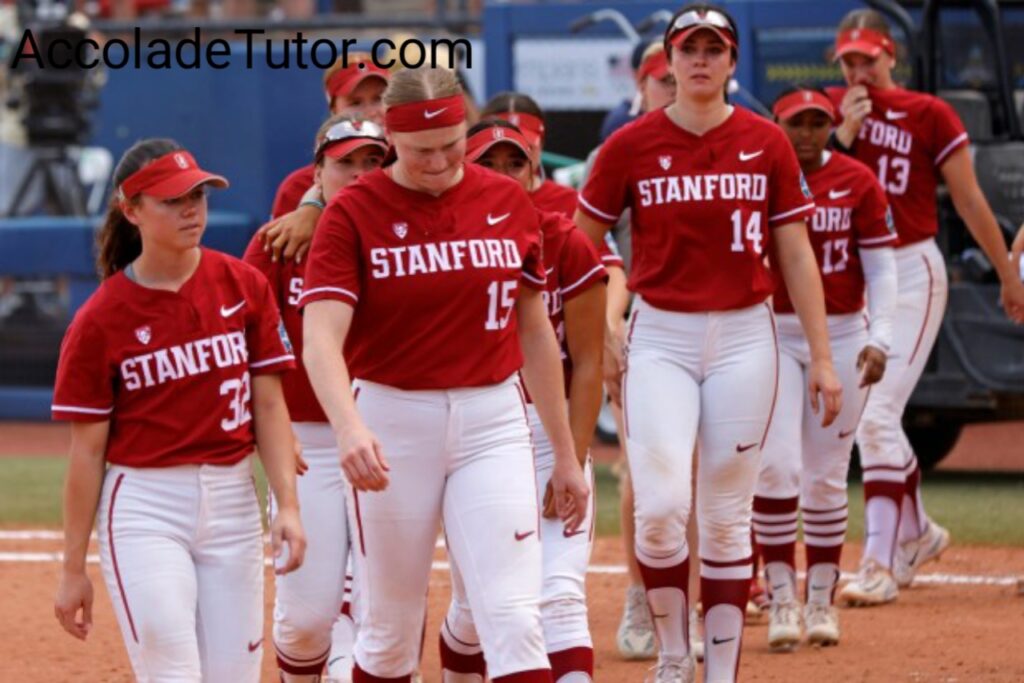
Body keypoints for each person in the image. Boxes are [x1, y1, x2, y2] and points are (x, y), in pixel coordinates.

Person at [574, 6, 842, 682]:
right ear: (667, 58)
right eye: (688, 48)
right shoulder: (631, 144)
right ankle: (671, 656)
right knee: (661, 507)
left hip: (746, 334)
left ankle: (718, 671)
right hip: (660, 331)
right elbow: (582, 235)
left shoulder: (767, 141)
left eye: (713, 49)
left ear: (731, 61)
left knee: (725, 516)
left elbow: (796, 252)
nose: (700, 60)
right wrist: (600, 324)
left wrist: (824, 357)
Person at [300, 67, 590, 682]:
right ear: (390, 138)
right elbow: (320, 337)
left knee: (515, 618)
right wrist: (349, 427)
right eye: (419, 150)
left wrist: (564, 455)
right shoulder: (354, 211)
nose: (438, 163)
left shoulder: (506, 199)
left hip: (493, 420)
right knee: (388, 633)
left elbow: (534, 331)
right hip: (392, 421)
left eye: (451, 145)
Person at [51, 139, 307, 681]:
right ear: (132, 210)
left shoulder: (243, 285)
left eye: (198, 194)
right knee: (171, 666)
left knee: (235, 674)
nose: (192, 208)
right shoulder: (99, 320)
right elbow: (86, 452)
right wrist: (73, 568)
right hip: (146, 505)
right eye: (172, 199)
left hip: (234, 502)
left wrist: (287, 504)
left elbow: (268, 403)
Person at [826, 9, 1024, 606]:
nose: (860, 69)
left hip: (911, 267)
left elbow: (967, 198)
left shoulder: (927, 113)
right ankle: (917, 533)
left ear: (891, 56)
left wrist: (1007, 275)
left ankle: (880, 564)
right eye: (849, 60)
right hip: (851, 275)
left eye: (869, 57)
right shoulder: (829, 112)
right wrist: (839, 138)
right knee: (864, 419)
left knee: (878, 417)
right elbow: (803, 192)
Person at [438, 119, 607, 683]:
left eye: (516, 163)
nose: (504, 174)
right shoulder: (441, 243)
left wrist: (572, 458)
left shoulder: (567, 242)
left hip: (547, 428)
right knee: (475, 609)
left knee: (559, 594)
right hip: (477, 430)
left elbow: (586, 364)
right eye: (489, 163)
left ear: (535, 172)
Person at [243, 116, 388, 682]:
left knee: (381, 615)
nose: (357, 176)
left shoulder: (414, 231)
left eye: (371, 163)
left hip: (389, 432)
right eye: (344, 163)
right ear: (317, 171)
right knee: (305, 620)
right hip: (308, 443)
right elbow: (248, 348)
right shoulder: (277, 244)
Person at [753, 86, 898, 651]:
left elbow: (882, 268)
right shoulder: (762, 176)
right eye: (797, 123)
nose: (808, 134)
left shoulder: (858, 180)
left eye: (818, 123)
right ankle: (781, 593)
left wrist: (881, 336)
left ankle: (820, 598)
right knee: (776, 469)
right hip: (772, 331)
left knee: (826, 474)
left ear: (832, 125)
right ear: (778, 124)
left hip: (840, 332)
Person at [261, 53, 391, 262]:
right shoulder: (297, 186)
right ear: (333, 109)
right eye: (355, 102)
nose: (371, 112)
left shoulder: (412, 167)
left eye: (379, 99)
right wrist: (313, 207)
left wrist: (313, 206)